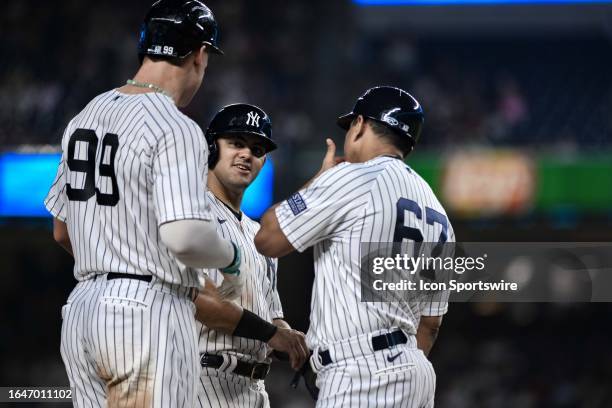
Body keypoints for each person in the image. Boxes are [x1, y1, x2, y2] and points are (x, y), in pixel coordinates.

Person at [43, 1, 244, 406]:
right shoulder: (176, 125)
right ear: (200, 54)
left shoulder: (86, 114)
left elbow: (62, 229)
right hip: (145, 315)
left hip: (81, 309)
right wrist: (231, 257)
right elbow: (185, 236)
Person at [254, 86, 455, 407]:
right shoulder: (437, 212)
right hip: (415, 375)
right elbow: (429, 325)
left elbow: (267, 238)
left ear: (360, 124)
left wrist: (319, 179)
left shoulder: (354, 176)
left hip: (361, 374)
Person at [192, 103, 308, 408]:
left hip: (254, 388)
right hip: (199, 378)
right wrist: (272, 334)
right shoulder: (189, 214)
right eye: (236, 143)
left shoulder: (258, 234)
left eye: (257, 148)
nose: (247, 154)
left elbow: (272, 316)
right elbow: (199, 302)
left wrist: (298, 343)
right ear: (211, 148)